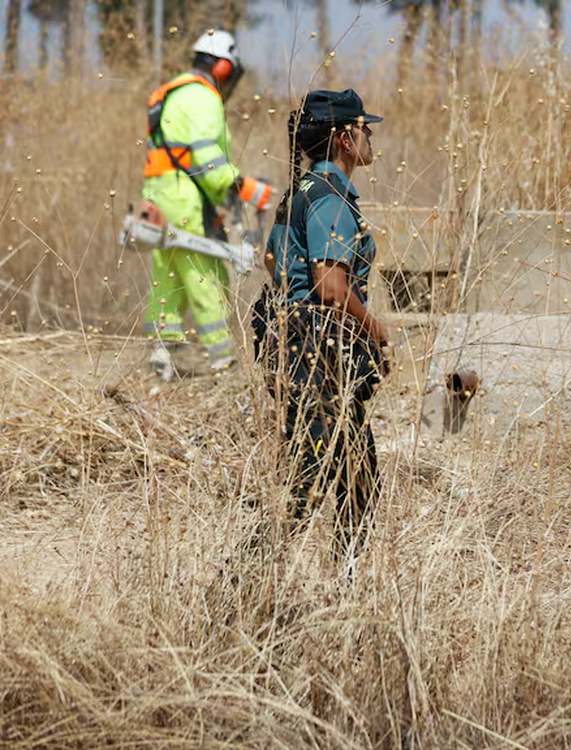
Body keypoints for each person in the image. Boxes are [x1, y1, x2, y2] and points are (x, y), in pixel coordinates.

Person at [259, 89, 389, 552]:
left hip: (300, 354)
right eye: (362, 127)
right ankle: (240, 591)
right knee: (305, 492)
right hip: (320, 361)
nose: (369, 134)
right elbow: (331, 287)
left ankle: (348, 600)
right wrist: (374, 330)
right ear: (343, 140)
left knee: (358, 483)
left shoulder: (300, 191)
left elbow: (272, 260)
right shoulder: (332, 196)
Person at [143, 29, 274, 380]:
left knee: (167, 282)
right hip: (187, 201)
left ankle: (160, 365)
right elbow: (205, 158)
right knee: (208, 279)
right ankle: (224, 367)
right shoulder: (203, 98)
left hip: (160, 197)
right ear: (221, 68)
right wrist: (242, 187)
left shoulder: (174, 93)